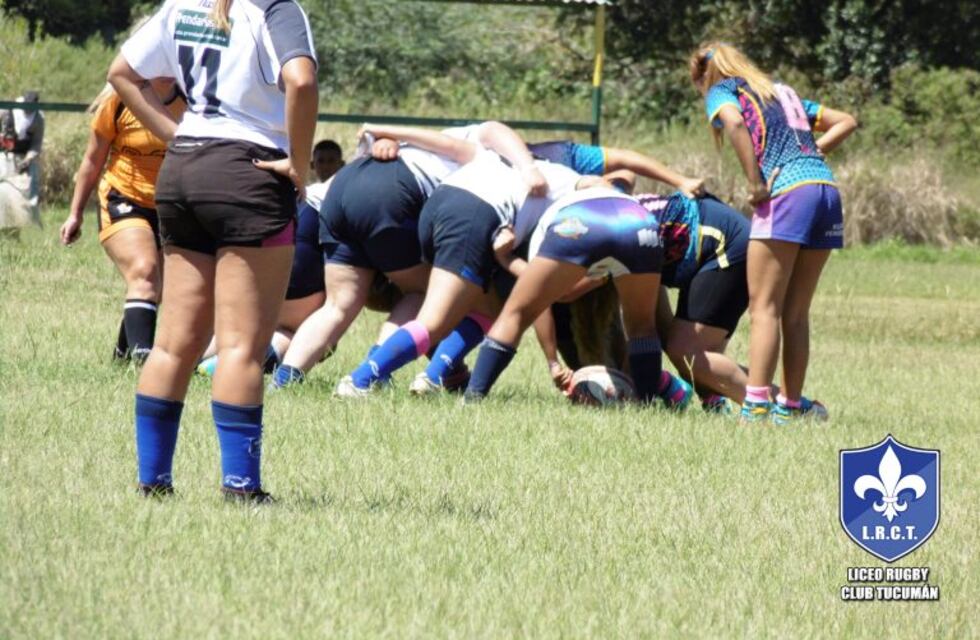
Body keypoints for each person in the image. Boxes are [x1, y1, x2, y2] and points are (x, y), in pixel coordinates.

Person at [109, 0, 318, 500]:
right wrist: (300, 161)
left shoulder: (181, 4)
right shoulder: (276, 9)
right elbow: (302, 82)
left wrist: (177, 135)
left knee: (172, 344)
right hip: (249, 173)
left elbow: (121, 73)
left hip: (183, 170)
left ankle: (153, 483)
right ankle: (241, 489)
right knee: (242, 347)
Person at [271, 121, 547, 389]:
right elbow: (491, 129)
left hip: (343, 188)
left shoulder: (423, 145)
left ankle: (284, 381)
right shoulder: (483, 154)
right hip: (390, 191)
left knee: (338, 305)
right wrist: (528, 166)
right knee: (425, 294)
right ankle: (378, 370)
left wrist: (384, 135)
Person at [690, 41, 857, 424]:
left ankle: (756, 407)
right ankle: (791, 407)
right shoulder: (781, 92)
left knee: (764, 307)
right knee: (796, 313)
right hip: (825, 192)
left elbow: (733, 123)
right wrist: (811, 153)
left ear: (704, 75)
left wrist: (756, 183)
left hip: (786, 195)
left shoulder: (723, 90)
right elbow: (846, 120)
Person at [464, 184, 692, 408]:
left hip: (581, 220)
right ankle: (647, 405)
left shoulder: (542, 231)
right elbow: (569, 292)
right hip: (640, 221)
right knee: (642, 327)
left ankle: (472, 400)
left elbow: (539, 307)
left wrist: (553, 361)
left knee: (514, 314)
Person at [60, 82, 186, 363]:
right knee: (144, 271)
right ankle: (144, 363)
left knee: (155, 288)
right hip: (123, 197)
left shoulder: (194, 96)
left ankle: (123, 356)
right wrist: (75, 213)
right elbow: (93, 160)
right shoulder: (119, 99)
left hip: (170, 205)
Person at [0, 91, 44, 225]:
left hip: (24, 156)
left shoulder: (38, 119)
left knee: (31, 188)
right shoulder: (8, 110)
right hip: (4, 154)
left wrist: (28, 159)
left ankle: (30, 223)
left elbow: (36, 144)